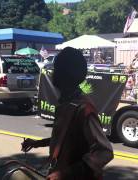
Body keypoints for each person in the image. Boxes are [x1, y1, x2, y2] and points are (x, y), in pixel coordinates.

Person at [21, 47, 113, 180]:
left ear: (65, 75)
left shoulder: (84, 108)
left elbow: (105, 152)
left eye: (56, 70)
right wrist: (37, 143)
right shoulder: (66, 103)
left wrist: (65, 174)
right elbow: (66, 139)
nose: (53, 74)